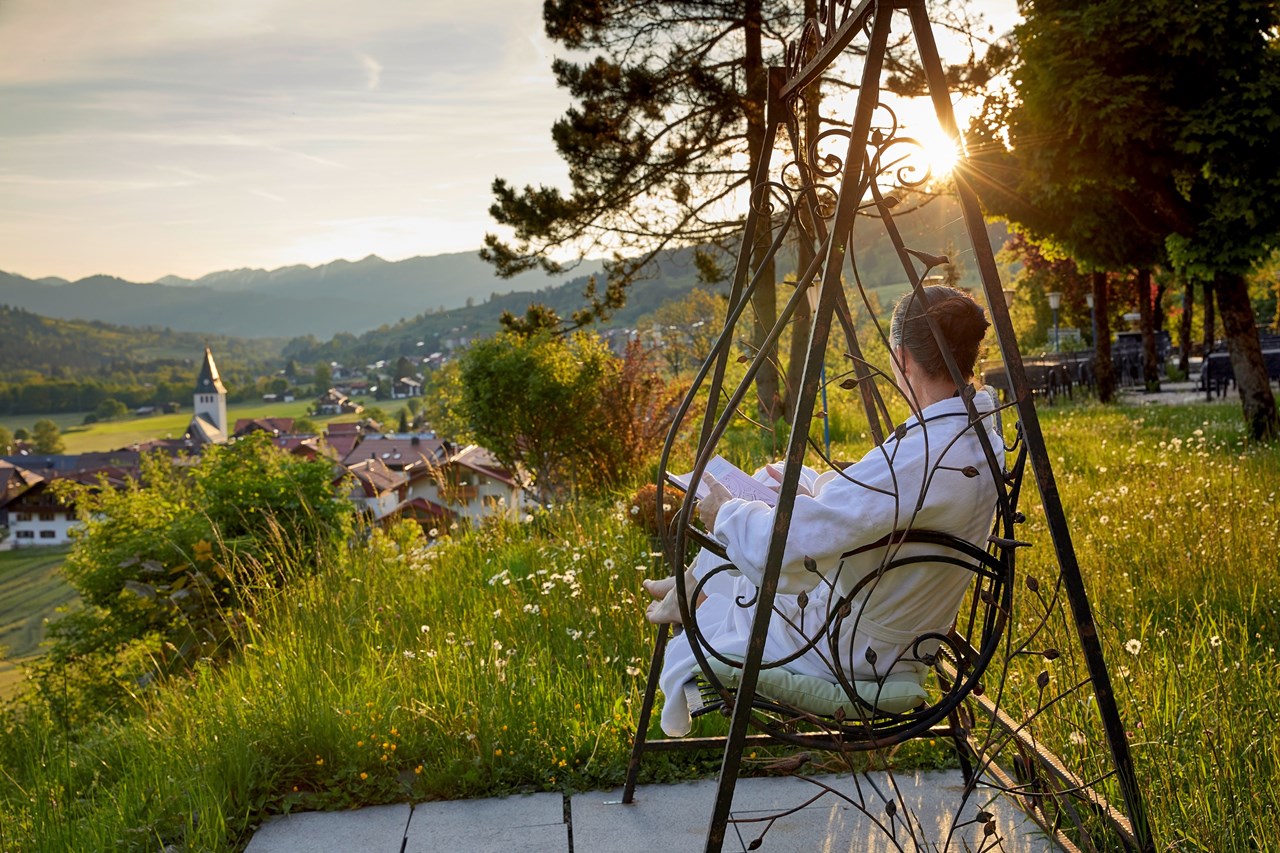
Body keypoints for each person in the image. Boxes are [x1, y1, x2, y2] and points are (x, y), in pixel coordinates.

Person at [644, 285, 1004, 737]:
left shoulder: (925, 455)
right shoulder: (971, 436)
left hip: (843, 647)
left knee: (740, 525)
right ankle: (689, 586)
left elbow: (793, 550)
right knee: (776, 482)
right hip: (897, 626)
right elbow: (879, 506)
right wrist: (811, 485)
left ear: (903, 359)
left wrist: (724, 513)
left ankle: (691, 594)